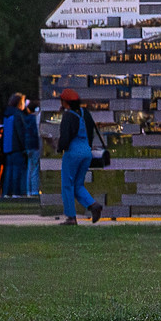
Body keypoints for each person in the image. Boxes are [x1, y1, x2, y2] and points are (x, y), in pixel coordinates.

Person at [55, 89, 104, 225]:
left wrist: (60, 148)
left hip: (73, 152)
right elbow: (91, 132)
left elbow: (65, 137)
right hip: (86, 152)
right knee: (78, 185)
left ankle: (71, 217)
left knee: (67, 185)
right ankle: (93, 205)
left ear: (65, 102)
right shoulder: (85, 113)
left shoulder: (68, 116)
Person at [0, 93, 27, 198]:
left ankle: (7, 192)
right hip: (17, 147)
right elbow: (21, 132)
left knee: (9, 171)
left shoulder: (7, 114)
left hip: (8, 147)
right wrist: (24, 146)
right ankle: (17, 192)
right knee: (18, 171)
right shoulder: (18, 114)